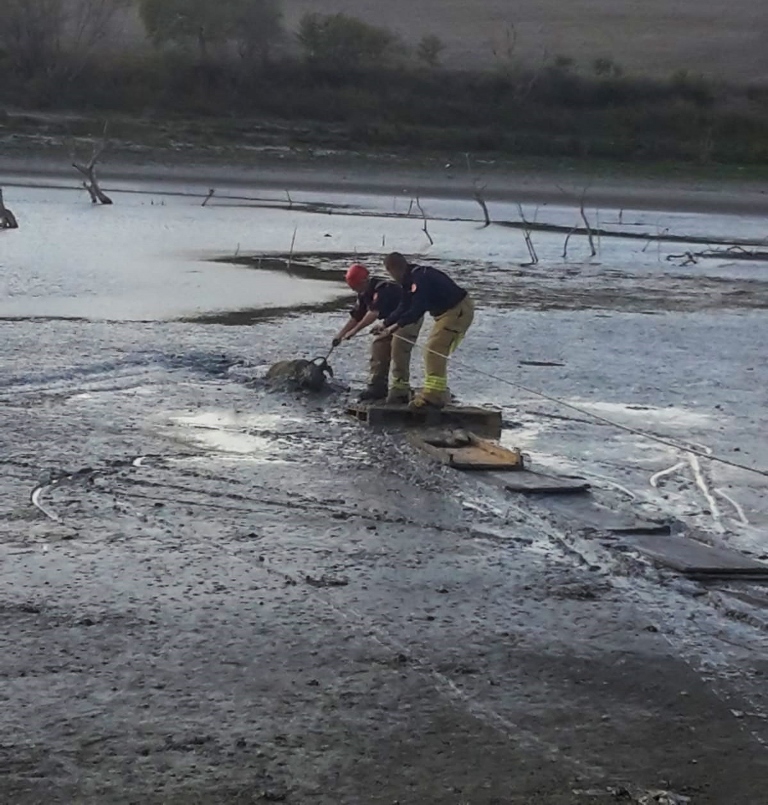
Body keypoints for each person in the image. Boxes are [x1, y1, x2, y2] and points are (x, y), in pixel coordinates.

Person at [378, 252, 474, 410]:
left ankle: (433, 397)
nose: (391, 276)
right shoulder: (409, 281)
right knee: (434, 349)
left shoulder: (419, 279)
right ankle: (434, 392)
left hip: (458, 310)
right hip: (444, 314)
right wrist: (385, 324)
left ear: (392, 269)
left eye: (389, 272)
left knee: (434, 349)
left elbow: (417, 309)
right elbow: (404, 306)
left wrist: (395, 327)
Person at [332, 263, 424, 403]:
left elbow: (373, 313)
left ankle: (400, 389)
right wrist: (340, 335)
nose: (356, 290)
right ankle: (378, 387)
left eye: (356, 287)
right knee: (379, 345)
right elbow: (356, 316)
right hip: (390, 321)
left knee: (398, 349)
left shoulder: (382, 289)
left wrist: (354, 332)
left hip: (409, 317)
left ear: (364, 281)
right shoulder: (363, 294)